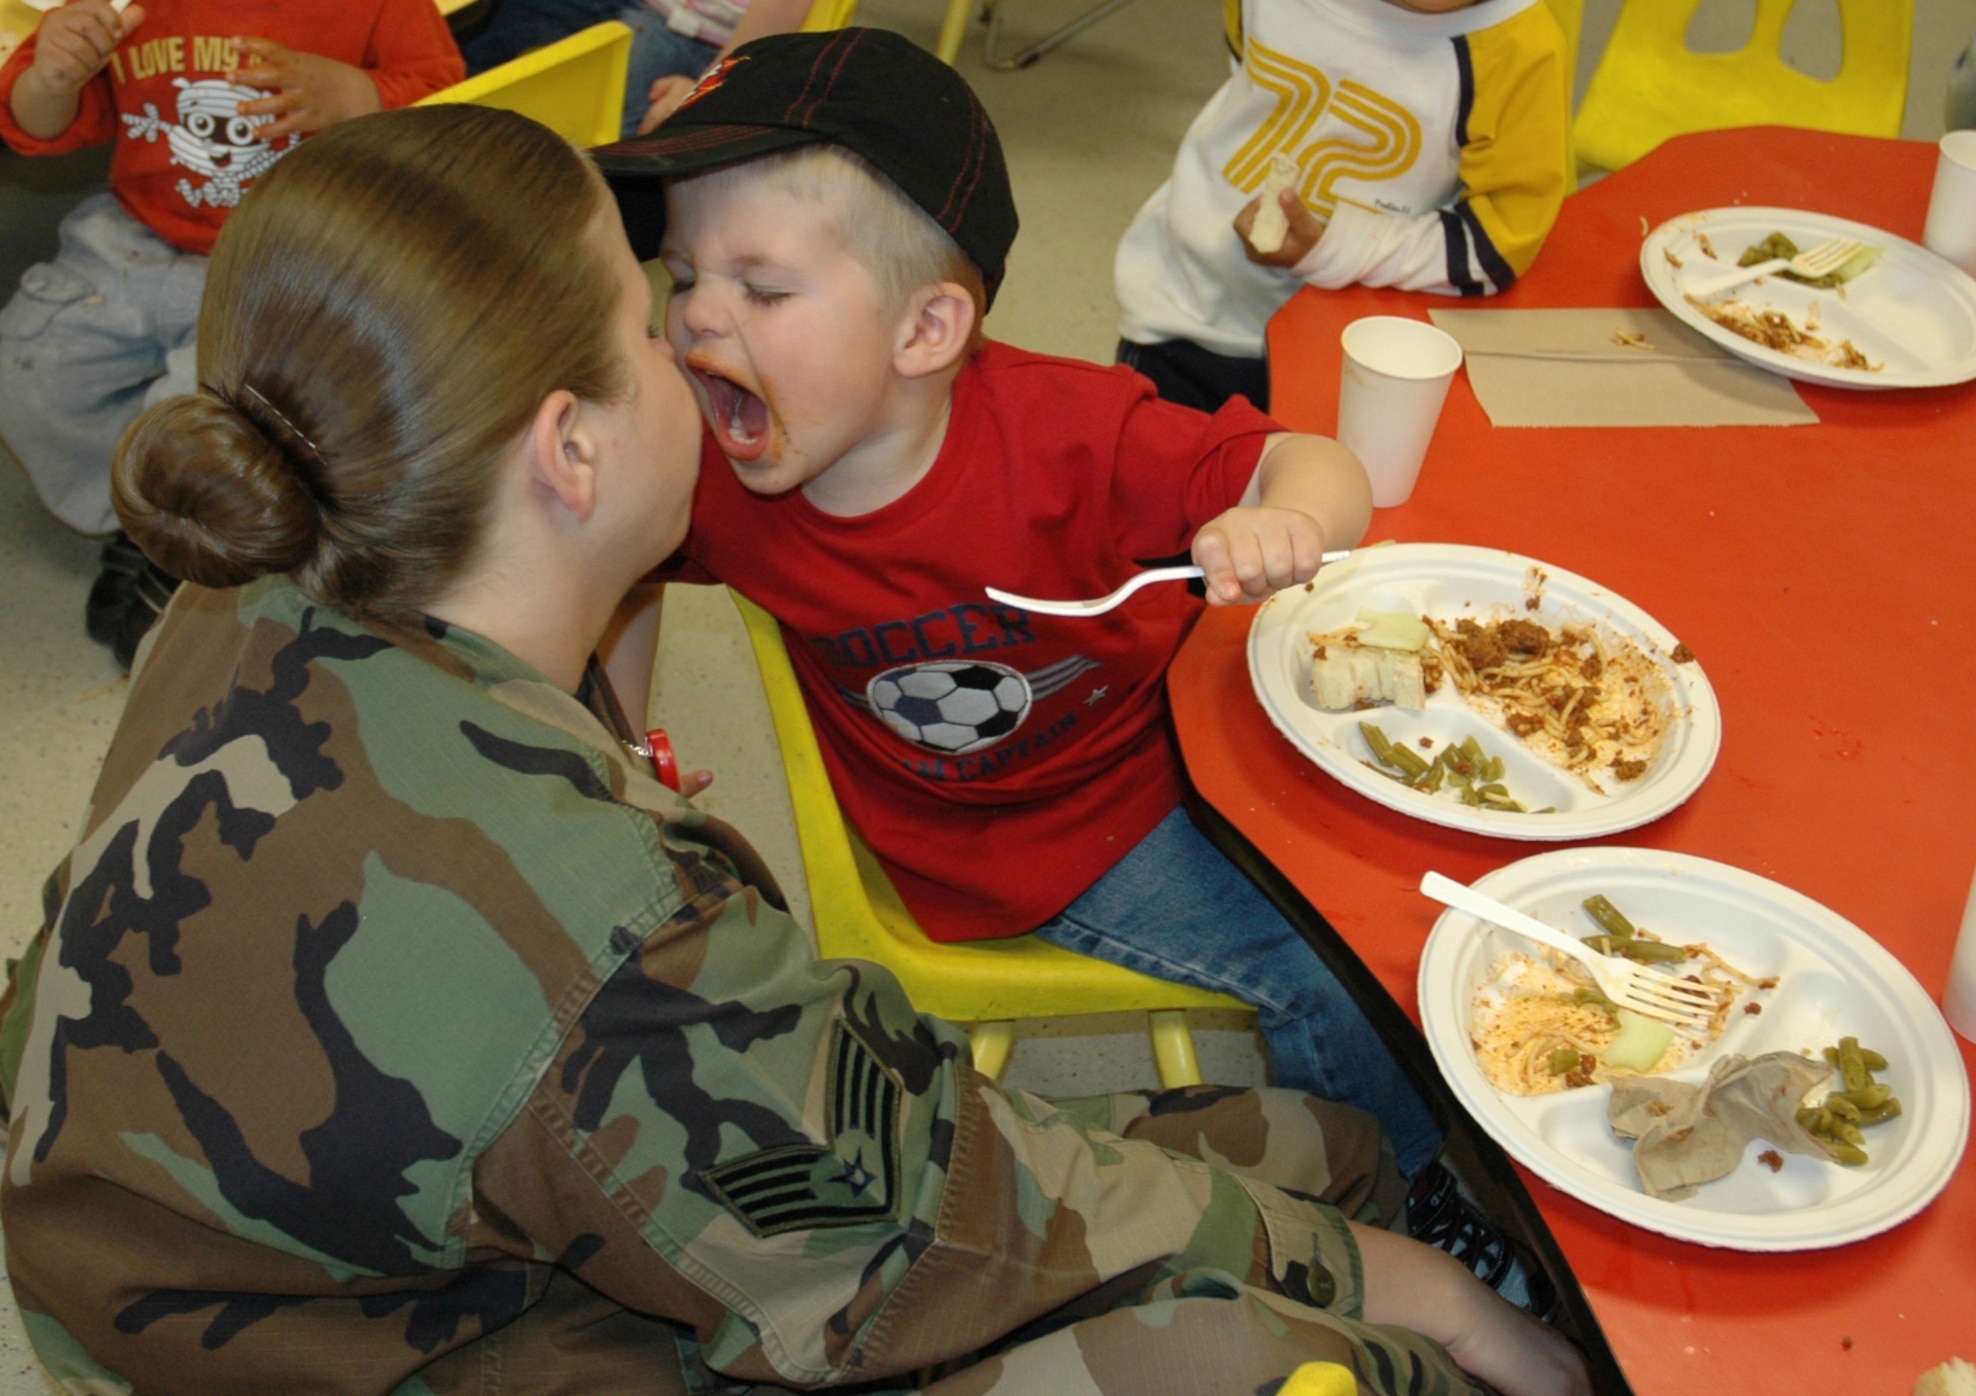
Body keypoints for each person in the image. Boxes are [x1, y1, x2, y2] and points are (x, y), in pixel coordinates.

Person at [0, 102, 1586, 1396]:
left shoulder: (257, 578)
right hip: (413, 1344)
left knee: (1330, 1146)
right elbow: (935, 1240)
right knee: (1304, 1350)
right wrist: (1428, 1303)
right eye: (650, 308)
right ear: (573, 449)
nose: (695, 330)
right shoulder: (622, 953)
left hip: (222, 1265)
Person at [594, 26, 1548, 1308]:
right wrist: (621, 746)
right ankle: (1435, 1200)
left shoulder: (1066, 431)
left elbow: (1311, 465)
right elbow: (618, 562)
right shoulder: (713, 480)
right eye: (684, 276)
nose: (700, 314)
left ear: (928, 325)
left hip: (1183, 732)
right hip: (1024, 838)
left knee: (1423, 843)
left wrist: (1286, 521)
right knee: (1331, 955)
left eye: (761, 290)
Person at [0, 0, 463, 670]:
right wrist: (50, 80)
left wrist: (365, 94)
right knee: (25, 369)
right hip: (134, 237)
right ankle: (140, 510)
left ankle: (181, 522)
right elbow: (37, 122)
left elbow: (455, 113)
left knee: (204, 415)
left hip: (286, 254)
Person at [1113, 0, 1570, 412]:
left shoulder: (1518, 48)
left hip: (1345, 353)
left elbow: (1498, 242)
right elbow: (1246, 68)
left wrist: (1333, 249)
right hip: (1180, 306)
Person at [455, 0, 813, 138]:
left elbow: (779, 13)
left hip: (695, 34)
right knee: (500, 25)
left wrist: (707, 88)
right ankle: (455, 121)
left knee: (600, 124)